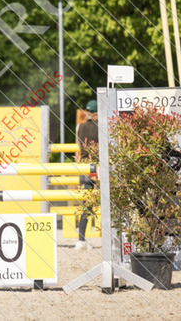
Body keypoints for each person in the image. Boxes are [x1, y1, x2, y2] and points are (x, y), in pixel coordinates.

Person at [75, 99, 98, 250]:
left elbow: (78, 145)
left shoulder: (80, 127)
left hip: (85, 167)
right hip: (99, 167)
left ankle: (81, 240)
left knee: (86, 204)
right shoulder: (102, 126)